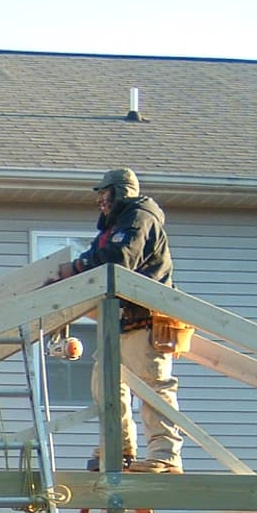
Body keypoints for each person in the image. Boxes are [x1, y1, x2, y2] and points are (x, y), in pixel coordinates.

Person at [54, 167, 183, 473]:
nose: (100, 201)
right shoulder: (112, 228)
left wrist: (77, 267)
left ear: (121, 192)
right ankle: (119, 446)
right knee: (106, 385)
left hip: (146, 319)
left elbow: (118, 260)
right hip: (119, 322)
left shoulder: (140, 218)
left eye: (104, 194)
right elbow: (98, 258)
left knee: (153, 387)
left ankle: (165, 456)